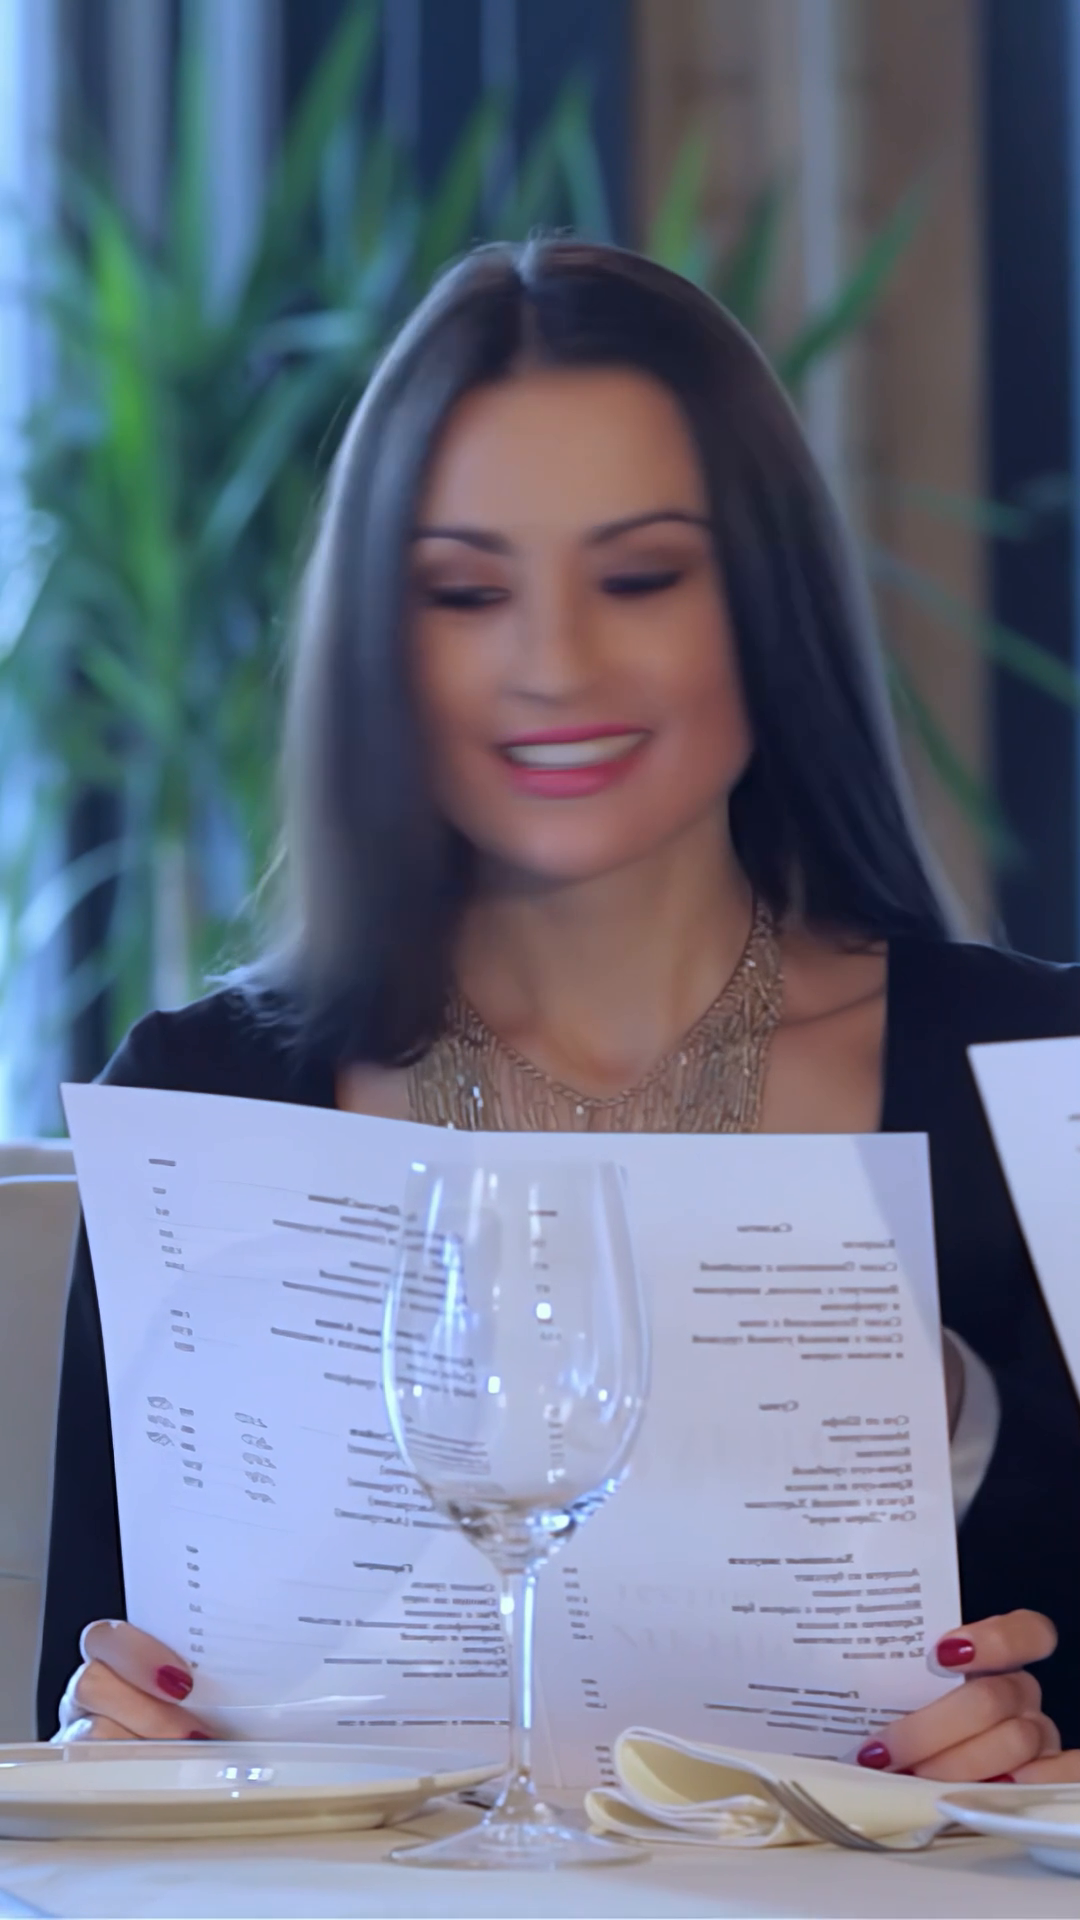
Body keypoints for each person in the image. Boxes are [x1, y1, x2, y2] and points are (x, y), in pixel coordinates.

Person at [39, 238, 1080, 1781]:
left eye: (641, 577)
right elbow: (87, 1704)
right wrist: (106, 1755)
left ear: (771, 604)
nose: (555, 663)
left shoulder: (1039, 1087)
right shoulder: (204, 1111)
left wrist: (1037, 1791)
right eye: (466, 592)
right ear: (379, 648)